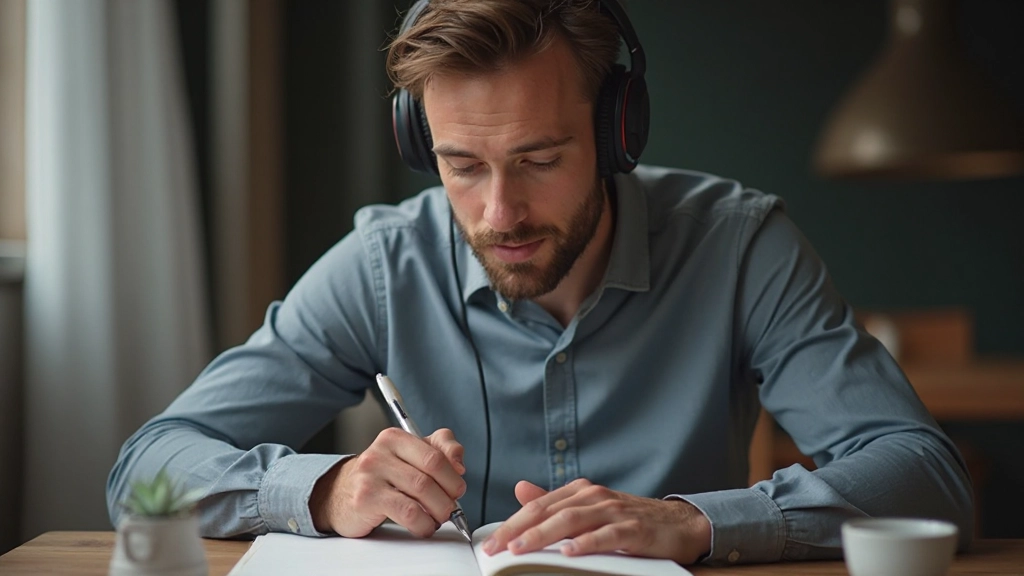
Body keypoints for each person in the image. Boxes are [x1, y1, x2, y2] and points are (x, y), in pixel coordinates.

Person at [107, 0, 974, 566]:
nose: (498, 213)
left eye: (540, 159)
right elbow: (148, 469)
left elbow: (925, 476)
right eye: (460, 165)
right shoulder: (384, 263)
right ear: (423, 147)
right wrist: (324, 490)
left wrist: (697, 522)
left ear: (615, 130)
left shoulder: (741, 248)